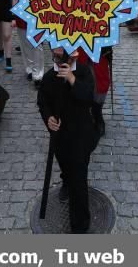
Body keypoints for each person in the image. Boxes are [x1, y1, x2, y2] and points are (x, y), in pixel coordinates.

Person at [37, 47, 99, 233]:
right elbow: (42, 101)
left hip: (81, 134)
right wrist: (48, 117)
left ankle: (80, 225)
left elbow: (88, 97)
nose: (59, 60)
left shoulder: (83, 72)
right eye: (56, 56)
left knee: (78, 179)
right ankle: (66, 179)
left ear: (74, 56)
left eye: (63, 56)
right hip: (60, 137)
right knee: (66, 167)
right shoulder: (49, 77)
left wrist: (72, 79)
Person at [65, 0, 111, 136]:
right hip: (72, 39)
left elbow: (111, 10)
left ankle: (97, 112)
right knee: (75, 77)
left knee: (101, 80)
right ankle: (80, 112)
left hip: (97, 39)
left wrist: (108, 38)